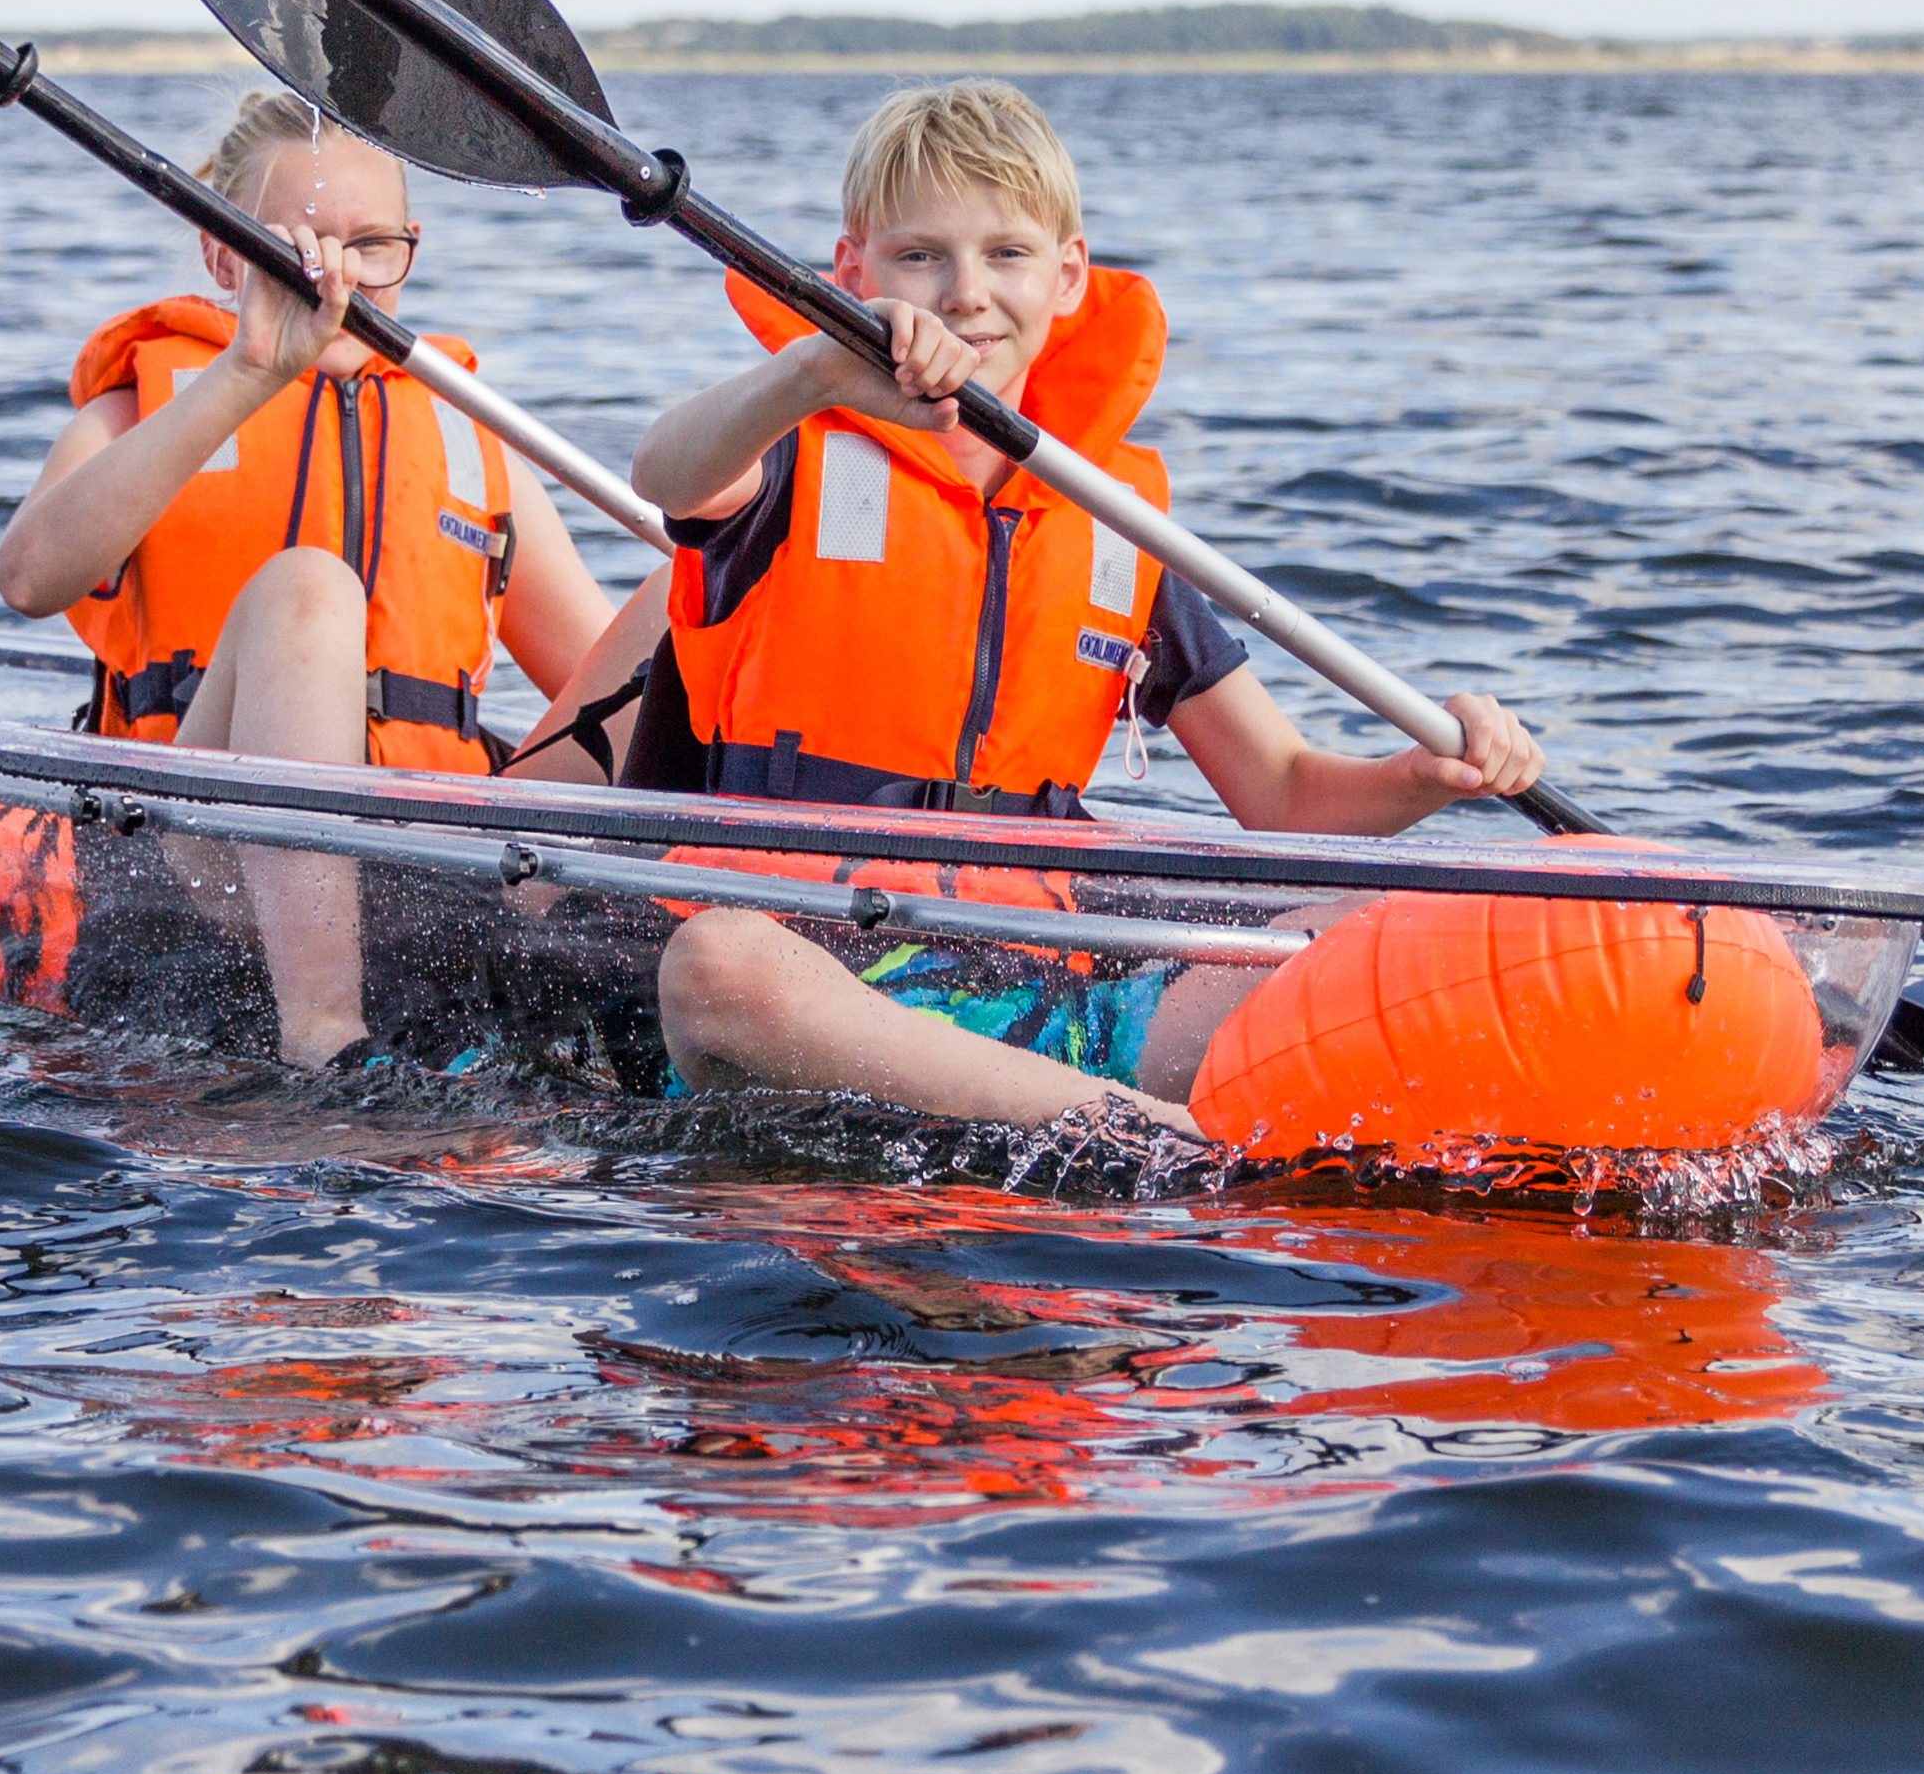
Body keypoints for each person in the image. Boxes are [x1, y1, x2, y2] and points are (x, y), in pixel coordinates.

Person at [622, 79, 1545, 1134]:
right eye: (921, 254)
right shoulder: (784, 452)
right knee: (716, 962)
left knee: (1384, 919)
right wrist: (815, 370)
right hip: (812, 969)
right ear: (852, 272)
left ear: (1067, 277)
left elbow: (1282, 794)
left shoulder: (1110, 517)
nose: (966, 292)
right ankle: (1148, 1137)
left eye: (1006, 254)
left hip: (1043, 997)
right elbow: (665, 472)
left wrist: (1422, 778)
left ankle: (1102, 1116)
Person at [0, 91, 658, 1069]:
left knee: (682, 609)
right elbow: (27, 577)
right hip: (198, 856)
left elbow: (595, 691)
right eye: (298, 243)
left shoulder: (465, 432)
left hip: (436, 863)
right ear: (222, 255)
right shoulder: (147, 407)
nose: (336, 275)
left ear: (408, 251)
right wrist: (250, 374)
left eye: (371, 244)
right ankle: (323, 1033)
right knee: (309, 585)